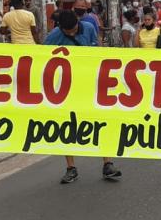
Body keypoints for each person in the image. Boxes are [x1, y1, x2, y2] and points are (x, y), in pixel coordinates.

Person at [43, 11, 120, 183]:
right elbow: (41, 57)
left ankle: (108, 164)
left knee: (101, 123)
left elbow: (99, 52)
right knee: (67, 127)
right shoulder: (54, 36)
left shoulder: (89, 28)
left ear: (78, 23)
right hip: (66, 90)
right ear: (60, 28)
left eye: (73, 30)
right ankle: (71, 168)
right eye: (67, 32)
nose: (70, 34)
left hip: (91, 86)